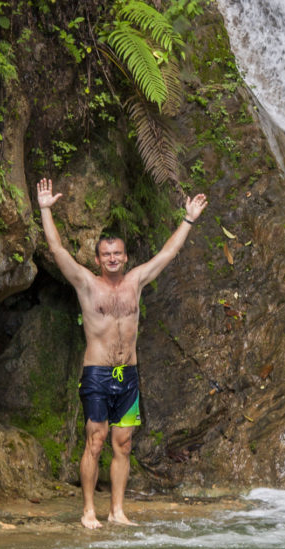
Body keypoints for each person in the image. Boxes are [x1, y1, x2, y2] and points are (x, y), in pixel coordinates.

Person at [36, 177, 208, 529]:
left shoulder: (136, 282)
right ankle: (87, 510)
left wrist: (188, 219)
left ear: (125, 257)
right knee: (95, 439)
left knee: (123, 443)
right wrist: (44, 210)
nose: (112, 258)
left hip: (127, 375)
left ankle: (116, 510)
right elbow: (57, 252)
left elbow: (167, 253)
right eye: (106, 254)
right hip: (98, 374)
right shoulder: (87, 284)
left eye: (117, 253)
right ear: (98, 258)